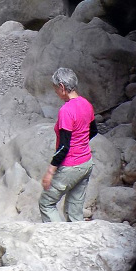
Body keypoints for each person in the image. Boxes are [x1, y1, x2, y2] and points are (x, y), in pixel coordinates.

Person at [39, 67, 96, 222]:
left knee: (46, 203)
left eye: (55, 89)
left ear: (62, 87)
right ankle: (77, 242)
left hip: (71, 166)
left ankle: (58, 240)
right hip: (87, 163)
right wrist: (80, 143)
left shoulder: (66, 111)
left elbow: (64, 147)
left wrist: (50, 172)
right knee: (74, 210)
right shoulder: (86, 104)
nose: (56, 93)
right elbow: (94, 131)